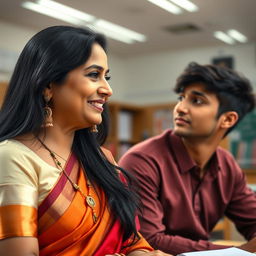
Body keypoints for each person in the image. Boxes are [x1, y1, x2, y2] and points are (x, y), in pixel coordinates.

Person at [0, 26, 172, 256]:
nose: (108, 89)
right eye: (93, 75)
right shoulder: (13, 157)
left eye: (106, 77)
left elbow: (131, 240)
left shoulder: (102, 158)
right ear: (48, 85)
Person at [119, 62, 256, 255]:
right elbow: (148, 240)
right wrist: (238, 251)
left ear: (227, 119)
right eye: (181, 98)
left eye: (197, 101)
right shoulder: (141, 161)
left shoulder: (227, 165)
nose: (180, 108)